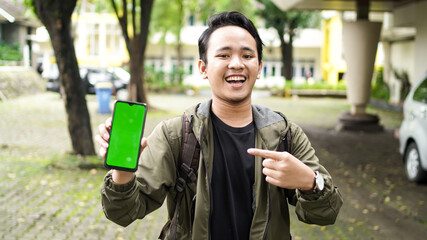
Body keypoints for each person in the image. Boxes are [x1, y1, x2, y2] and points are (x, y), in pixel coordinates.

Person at [97, 11, 343, 240]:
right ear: (203, 68)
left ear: (258, 68)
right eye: (224, 55)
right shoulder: (176, 135)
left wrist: (311, 182)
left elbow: (325, 214)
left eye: (247, 56)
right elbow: (123, 213)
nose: (236, 64)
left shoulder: (285, 135)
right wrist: (123, 170)